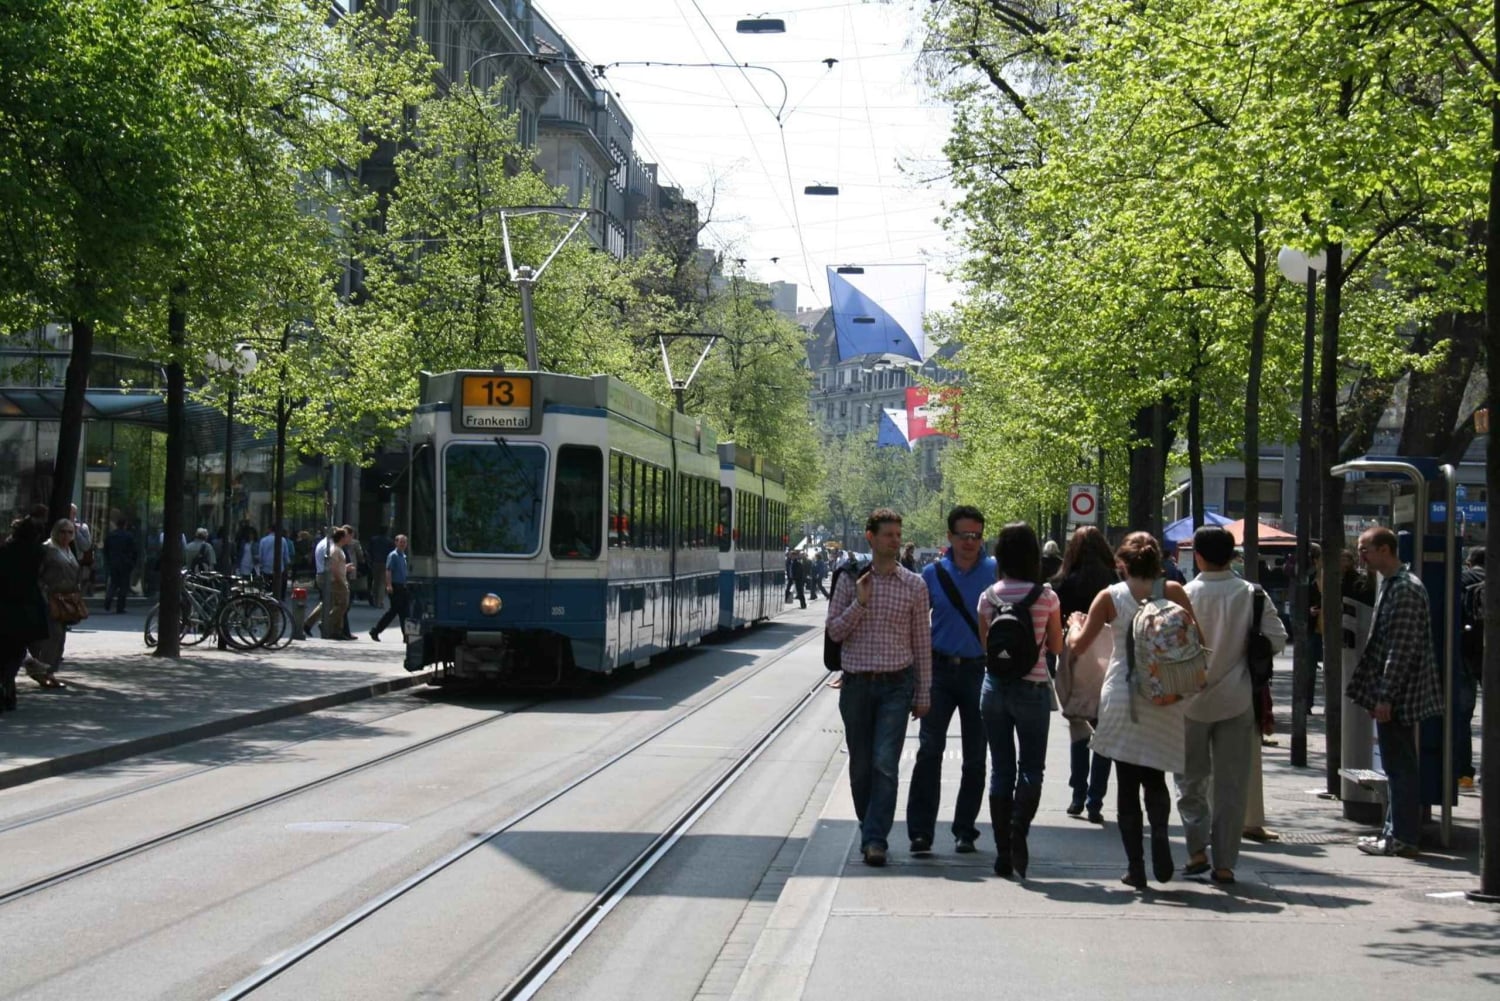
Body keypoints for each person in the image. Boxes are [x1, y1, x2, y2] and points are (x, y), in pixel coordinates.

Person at [1067, 531, 1196, 889]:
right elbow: (1196, 638)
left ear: (1120, 563)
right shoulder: (1173, 592)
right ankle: (1160, 841)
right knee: (1155, 777)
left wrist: (1074, 626)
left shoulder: (1110, 597)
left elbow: (1079, 645)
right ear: (1157, 561)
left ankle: (1135, 867)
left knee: (1126, 783)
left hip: (1123, 693)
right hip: (1164, 695)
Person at [1178, 526, 1288, 884]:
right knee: (1231, 785)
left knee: (1191, 781)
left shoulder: (1184, 595)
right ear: (1232, 555)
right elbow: (1276, 638)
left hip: (1190, 701)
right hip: (1238, 700)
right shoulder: (1251, 594)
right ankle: (1224, 862)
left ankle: (1196, 848)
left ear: (1197, 554)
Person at [825, 507, 931, 867]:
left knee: (885, 764)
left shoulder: (914, 585)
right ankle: (868, 824)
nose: (895, 541)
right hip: (856, 685)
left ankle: (875, 839)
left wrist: (924, 692)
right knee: (861, 766)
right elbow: (835, 631)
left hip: (896, 686)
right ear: (870, 537)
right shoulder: (848, 579)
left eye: (898, 535)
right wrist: (860, 602)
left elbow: (921, 644)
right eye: (888, 535)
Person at [1347, 526, 1443, 858]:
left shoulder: (1404, 589)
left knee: (1399, 766)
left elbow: (1399, 650)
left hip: (1400, 695)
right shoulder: (1393, 584)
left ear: (1386, 549)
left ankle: (1402, 837)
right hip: (1397, 692)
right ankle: (1394, 833)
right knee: (1396, 765)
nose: (1361, 556)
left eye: (1365, 549)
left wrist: (1385, 696)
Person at [906, 505, 996, 858]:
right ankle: (920, 833)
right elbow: (913, 622)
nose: (971, 542)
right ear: (950, 537)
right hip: (939, 671)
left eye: (976, 535)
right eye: (964, 536)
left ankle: (965, 831)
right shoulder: (932, 574)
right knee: (929, 751)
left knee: (975, 757)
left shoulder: (994, 572)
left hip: (979, 670)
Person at [977, 522, 1063, 878]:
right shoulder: (1047, 597)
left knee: (1000, 768)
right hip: (1033, 689)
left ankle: (1002, 851)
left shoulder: (989, 596)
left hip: (994, 689)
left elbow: (987, 647)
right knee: (1031, 769)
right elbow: (1056, 646)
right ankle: (1018, 829)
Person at [1052, 525, 1118, 824]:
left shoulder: (1063, 582)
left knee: (1078, 727)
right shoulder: (1115, 583)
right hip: (1110, 660)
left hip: (1076, 658)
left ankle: (1078, 794)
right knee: (1104, 732)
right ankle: (1095, 798)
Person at [0, 510, 50, 710]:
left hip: (4, 605)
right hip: (27, 607)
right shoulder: (38, 553)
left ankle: (6, 685)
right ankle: (8, 684)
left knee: (3, 649)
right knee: (17, 649)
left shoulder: (4, 551)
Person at [27, 518, 84, 689]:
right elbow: (37, 574)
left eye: (70, 532)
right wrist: (43, 594)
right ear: (55, 531)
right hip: (49, 598)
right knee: (54, 635)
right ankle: (44, 671)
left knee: (60, 637)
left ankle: (47, 670)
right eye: (63, 531)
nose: (66, 535)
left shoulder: (68, 550)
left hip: (66, 599)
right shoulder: (48, 549)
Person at [1457, 547, 1484, 789]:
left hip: (1465, 655)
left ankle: (1464, 773)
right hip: (1490, 654)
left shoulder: (1463, 579)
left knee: (1463, 716)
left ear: (1469, 562)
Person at [370, 534, 410, 642]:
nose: (403, 544)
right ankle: (375, 631)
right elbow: (388, 571)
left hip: (403, 587)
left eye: (404, 542)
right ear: (396, 543)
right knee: (394, 612)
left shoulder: (404, 556)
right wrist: (388, 585)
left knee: (404, 613)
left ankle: (406, 636)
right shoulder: (393, 555)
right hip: (395, 587)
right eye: (401, 542)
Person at [325, 527, 355, 640]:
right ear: (342, 538)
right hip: (339, 581)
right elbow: (333, 568)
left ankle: (337, 630)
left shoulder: (339, 549)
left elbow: (338, 566)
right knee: (343, 605)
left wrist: (345, 568)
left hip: (341, 579)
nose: (348, 538)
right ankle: (327, 622)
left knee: (341, 606)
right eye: (346, 536)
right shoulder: (335, 550)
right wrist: (341, 581)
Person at [102, 517, 137, 613]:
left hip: (113, 562)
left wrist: (108, 561)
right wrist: (132, 562)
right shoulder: (128, 536)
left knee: (113, 583)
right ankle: (120, 607)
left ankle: (107, 602)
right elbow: (134, 551)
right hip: (125, 563)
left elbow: (105, 550)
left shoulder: (111, 535)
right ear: (125, 525)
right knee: (123, 586)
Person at [71, 503, 96, 595]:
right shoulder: (61, 525)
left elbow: (86, 546)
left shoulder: (82, 527)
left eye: (72, 513)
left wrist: (76, 531)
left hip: (78, 560)